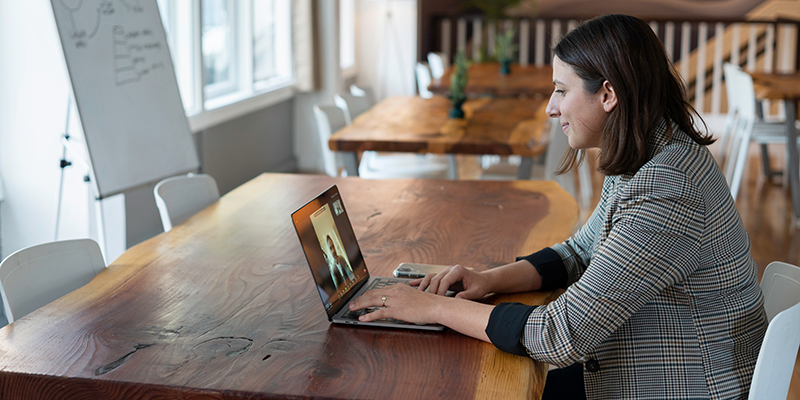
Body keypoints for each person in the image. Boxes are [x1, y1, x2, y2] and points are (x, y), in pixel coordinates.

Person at [349, 14, 767, 400]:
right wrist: (487, 279)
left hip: (689, 387)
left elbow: (561, 334)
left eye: (562, 91)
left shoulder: (669, 185)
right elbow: (580, 251)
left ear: (607, 95)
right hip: (650, 366)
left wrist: (434, 308)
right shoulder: (649, 151)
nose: (551, 107)